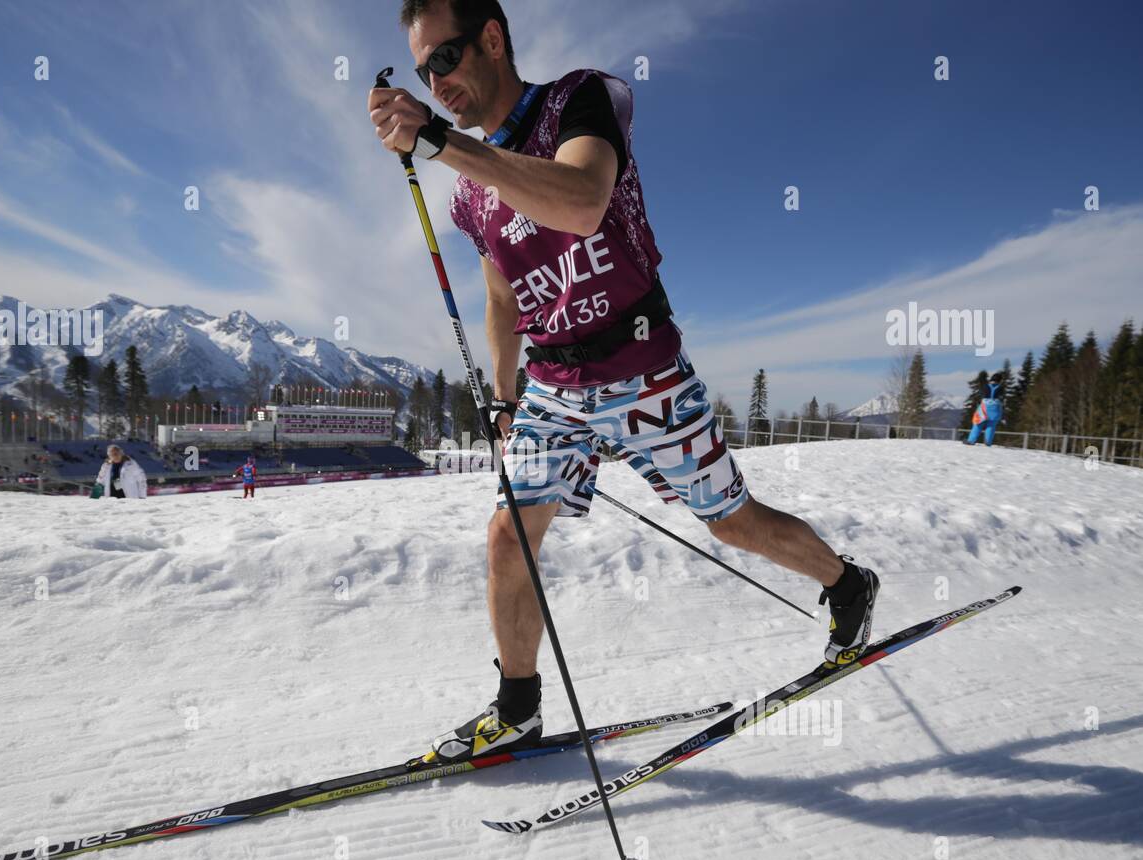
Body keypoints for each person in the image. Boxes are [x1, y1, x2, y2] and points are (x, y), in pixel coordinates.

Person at [370, 0, 880, 762]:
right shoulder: (469, 193)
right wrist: (506, 397)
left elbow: (580, 202)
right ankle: (518, 707)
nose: (436, 82)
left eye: (445, 59)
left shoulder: (580, 98)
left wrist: (440, 143)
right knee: (509, 534)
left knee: (730, 521)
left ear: (493, 39)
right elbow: (503, 297)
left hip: (642, 364)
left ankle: (846, 584)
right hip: (553, 383)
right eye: (422, 72)